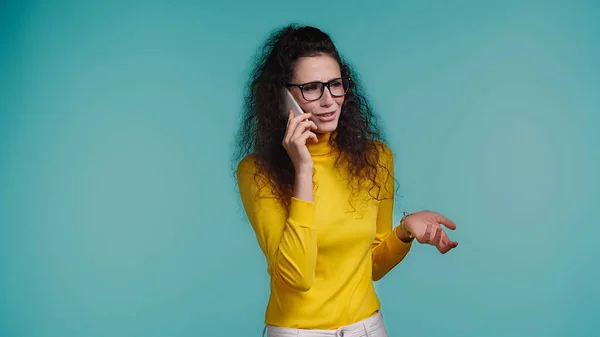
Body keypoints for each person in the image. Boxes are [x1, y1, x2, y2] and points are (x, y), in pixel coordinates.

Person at [234, 24, 459, 337]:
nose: (329, 100)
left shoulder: (376, 158)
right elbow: (297, 277)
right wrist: (302, 169)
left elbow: (372, 267)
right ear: (283, 97)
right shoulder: (257, 172)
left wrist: (404, 232)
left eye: (335, 84)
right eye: (311, 88)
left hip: (367, 328)